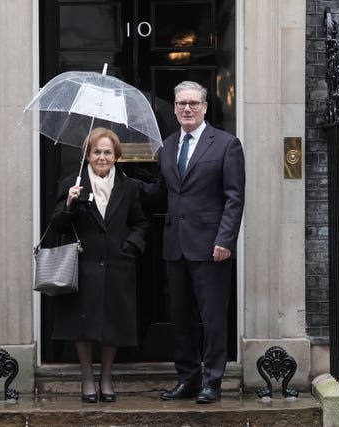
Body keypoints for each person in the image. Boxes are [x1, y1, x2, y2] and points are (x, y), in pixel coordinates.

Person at [142, 81, 245, 403]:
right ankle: (188, 379)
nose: (187, 109)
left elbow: (234, 198)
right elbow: (161, 191)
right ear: (173, 108)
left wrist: (225, 240)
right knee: (182, 319)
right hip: (175, 245)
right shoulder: (168, 145)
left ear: (204, 108)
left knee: (213, 318)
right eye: (181, 103)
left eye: (193, 104)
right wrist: (118, 181)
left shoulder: (227, 145)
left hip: (212, 247)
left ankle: (213, 381)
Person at [50, 127, 148, 403]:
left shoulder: (129, 187)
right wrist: (68, 202)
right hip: (84, 265)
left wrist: (130, 247)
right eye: (96, 152)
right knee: (82, 324)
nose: (102, 157)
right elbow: (57, 225)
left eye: (107, 152)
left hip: (118, 266)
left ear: (116, 156)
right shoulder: (72, 183)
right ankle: (87, 379)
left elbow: (140, 222)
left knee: (113, 323)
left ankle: (106, 378)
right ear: (87, 154)